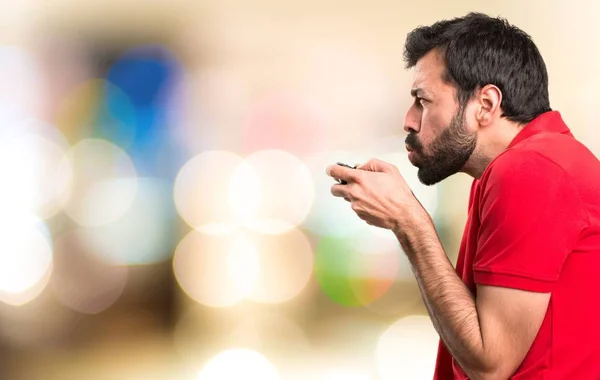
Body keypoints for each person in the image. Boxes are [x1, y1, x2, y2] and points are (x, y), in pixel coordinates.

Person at [326, 12, 600, 380]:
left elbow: (490, 363)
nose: (409, 120)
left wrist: (408, 221)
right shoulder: (527, 167)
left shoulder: (531, 170)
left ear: (485, 104)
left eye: (423, 101)